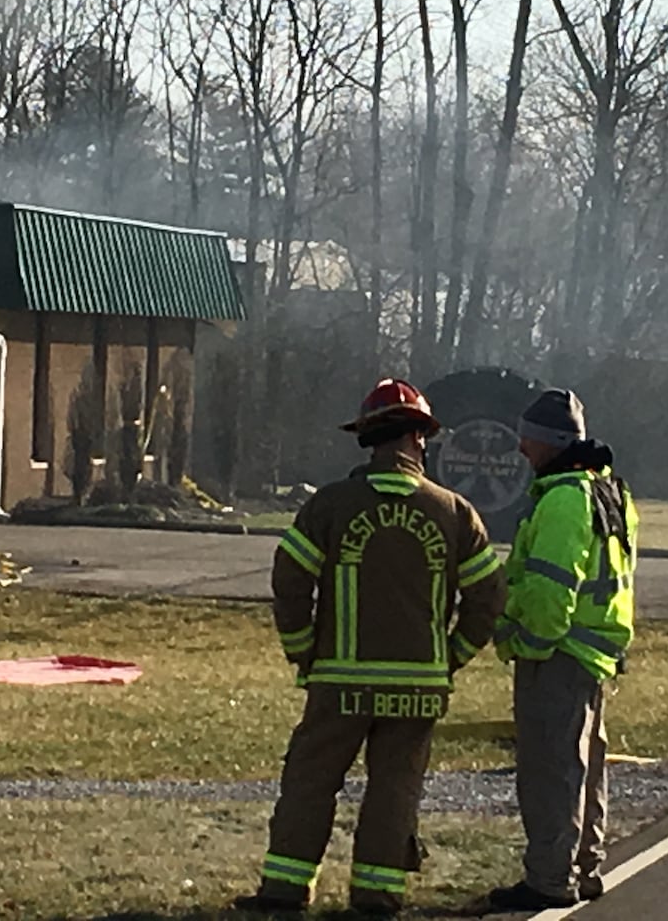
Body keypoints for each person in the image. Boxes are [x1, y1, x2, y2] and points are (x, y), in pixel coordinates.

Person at [233, 378, 505, 917]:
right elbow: (488, 599)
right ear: (420, 439)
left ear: (368, 439)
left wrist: (304, 650)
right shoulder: (454, 513)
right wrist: (448, 657)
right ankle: (377, 898)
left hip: (339, 682)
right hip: (418, 690)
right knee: (394, 792)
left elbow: (290, 580)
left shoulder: (332, 506)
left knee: (310, 784)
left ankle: (284, 893)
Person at [478, 388, 637, 913]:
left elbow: (549, 590)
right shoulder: (608, 491)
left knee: (550, 771)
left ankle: (549, 878)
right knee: (585, 766)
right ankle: (584, 867)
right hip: (595, 652)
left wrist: (525, 641)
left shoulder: (565, 498)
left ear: (547, 442)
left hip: (558, 655)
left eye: (527, 438)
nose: (521, 449)